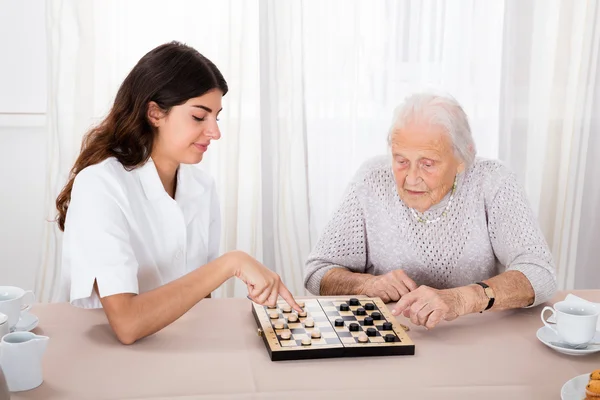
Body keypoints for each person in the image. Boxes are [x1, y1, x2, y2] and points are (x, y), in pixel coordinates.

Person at [55, 41, 301, 345]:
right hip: (107, 359)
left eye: (217, 117)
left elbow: (201, 297)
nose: (215, 132)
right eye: (199, 117)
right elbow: (127, 324)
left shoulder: (202, 187)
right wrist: (231, 262)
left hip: (184, 346)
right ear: (155, 113)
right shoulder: (100, 185)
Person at [304, 92, 557, 330]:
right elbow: (317, 272)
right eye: (401, 161)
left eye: (427, 163)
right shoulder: (372, 180)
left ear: (463, 157)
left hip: (475, 335)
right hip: (389, 333)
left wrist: (462, 298)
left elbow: (540, 273)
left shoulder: (492, 181)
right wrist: (367, 284)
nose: (411, 178)